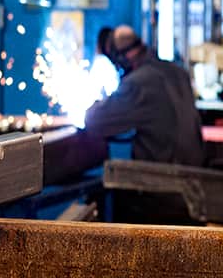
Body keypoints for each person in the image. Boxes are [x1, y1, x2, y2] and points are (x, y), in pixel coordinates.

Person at [85, 25, 206, 224]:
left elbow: (94, 121)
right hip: (194, 193)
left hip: (162, 198)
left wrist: (98, 103)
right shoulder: (178, 72)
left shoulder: (139, 83)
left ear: (124, 56)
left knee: (103, 200)